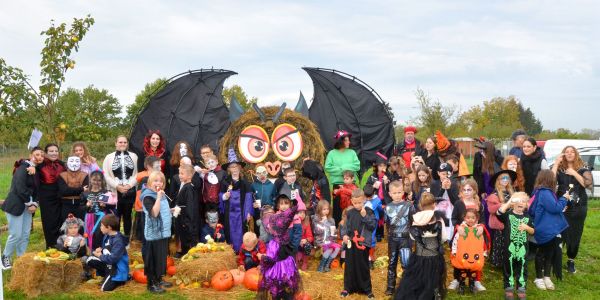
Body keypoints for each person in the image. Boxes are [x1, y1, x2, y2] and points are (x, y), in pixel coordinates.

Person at [394, 192, 447, 300]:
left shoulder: (416, 218)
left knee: (417, 280)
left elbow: (412, 237)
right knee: (433, 279)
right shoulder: (438, 217)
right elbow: (444, 237)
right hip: (434, 256)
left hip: (419, 257)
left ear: (421, 206)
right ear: (434, 204)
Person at [1, 147, 44, 269]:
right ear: (31, 154)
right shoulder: (23, 167)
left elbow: (37, 190)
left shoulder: (36, 169)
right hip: (16, 205)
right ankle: (5, 257)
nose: (40, 156)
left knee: (25, 234)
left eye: (42, 155)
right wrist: (29, 202)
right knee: (16, 235)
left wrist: (35, 203)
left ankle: (21, 258)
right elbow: (19, 187)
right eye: (37, 154)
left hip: (28, 207)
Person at [552, 146, 593, 274]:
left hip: (578, 206)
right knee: (558, 232)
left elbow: (588, 184)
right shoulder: (559, 168)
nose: (569, 154)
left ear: (576, 154)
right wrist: (556, 164)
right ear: (563, 154)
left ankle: (570, 260)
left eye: (572, 152)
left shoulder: (583, 168)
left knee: (575, 233)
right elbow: (550, 181)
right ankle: (555, 259)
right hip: (562, 205)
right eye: (567, 152)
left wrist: (574, 172)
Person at [529, 170, 569, 291]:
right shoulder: (545, 192)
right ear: (550, 180)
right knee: (541, 253)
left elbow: (536, 209)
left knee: (549, 253)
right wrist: (564, 198)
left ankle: (546, 276)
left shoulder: (541, 192)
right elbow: (555, 208)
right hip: (546, 229)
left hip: (548, 228)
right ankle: (539, 278)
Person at [258, 194, 302, 299]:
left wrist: (261, 257)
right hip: (282, 256)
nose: (283, 206)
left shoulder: (295, 218)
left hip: (285, 258)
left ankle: (285, 293)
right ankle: (283, 292)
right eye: (281, 204)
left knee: (285, 278)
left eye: (286, 203)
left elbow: (297, 233)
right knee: (282, 276)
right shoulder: (275, 218)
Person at [449, 178, 486, 292]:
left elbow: (483, 219)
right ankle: (457, 279)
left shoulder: (479, 204)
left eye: (469, 190)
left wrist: (481, 227)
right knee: (460, 255)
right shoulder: (459, 203)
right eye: (464, 190)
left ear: (474, 191)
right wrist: (458, 227)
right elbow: (454, 218)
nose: (466, 192)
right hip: (462, 235)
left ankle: (476, 280)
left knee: (475, 255)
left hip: (475, 236)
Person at [497, 192, 535, 300]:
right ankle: (509, 288)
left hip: (523, 249)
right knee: (508, 267)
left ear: (526, 205)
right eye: (518, 201)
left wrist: (527, 228)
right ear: (514, 203)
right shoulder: (508, 215)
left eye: (523, 201)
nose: (521, 203)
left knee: (522, 268)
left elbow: (533, 231)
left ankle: (521, 288)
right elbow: (499, 212)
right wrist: (509, 202)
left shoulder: (528, 217)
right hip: (510, 248)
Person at [140, 171, 173, 293]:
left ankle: (158, 279)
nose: (158, 183)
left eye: (161, 181)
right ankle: (151, 284)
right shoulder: (148, 196)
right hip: (153, 233)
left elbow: (162, 210)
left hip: (163, 231)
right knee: (153, 258)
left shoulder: (160, 195)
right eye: (155, 180)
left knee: (161, 257)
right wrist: (158, 198)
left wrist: (171, 210)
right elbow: (154, 213)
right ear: (149, 183)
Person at [340, 189, 377, 299]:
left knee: (363, 266)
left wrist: (365, 216)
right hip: (351, 243)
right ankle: (348, 288)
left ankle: (367, 289)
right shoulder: (350, 213)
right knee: (350, 265)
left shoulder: (369, 211)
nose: (357, 205)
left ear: (364, 200)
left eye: (360, 203)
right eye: (355, 203)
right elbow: (346, 226)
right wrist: (345, 235)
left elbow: (372, 226)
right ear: (351, 201)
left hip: (362, 243)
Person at [103, 135, 139, 242]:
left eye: (124, 142)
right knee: (115, 217)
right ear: (115, 143)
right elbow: (106, 174)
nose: (122, 144)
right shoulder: (108, 157)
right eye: (120, 142)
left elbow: (137, 174)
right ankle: (115, 240)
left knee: (128, 216)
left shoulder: (134, 156)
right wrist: (117, 186)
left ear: (127, 144)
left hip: (129, 191)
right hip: (115, 192)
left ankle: (127, 240)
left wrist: (129, 185)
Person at [81, 214, 129, 291]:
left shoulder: (118, 241)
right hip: (108, 265)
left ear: (109, 227)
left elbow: (113, 259)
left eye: (102, 226)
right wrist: (101, 250)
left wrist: (100, 256)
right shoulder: (107, 235)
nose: (100, 228)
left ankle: (120, 280)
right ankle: (107, 275)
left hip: (116, 269)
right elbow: (108, 249)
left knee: (104, 289)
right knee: (89, 259)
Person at [220, 148, 254, 252]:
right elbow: (220, 196)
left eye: (235, 166)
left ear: (239, 168)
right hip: (229, 213)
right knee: (230, 231)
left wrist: (248, 212)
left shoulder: (245, 183)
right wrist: (224, 197)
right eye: (231, 167)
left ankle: (241, 251)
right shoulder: (225, 182)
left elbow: (248, 199)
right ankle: (232, 252)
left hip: (241, 213)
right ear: (229, 169)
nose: (234, 169)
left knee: (241, 231)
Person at [384, 181, 414, 295]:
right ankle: (390, 287)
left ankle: (407, 286)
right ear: (390, 193)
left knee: (406, 263)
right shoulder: (387, 207)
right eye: (394, 193)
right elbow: (387, 224)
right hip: (393, 240)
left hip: (405, 239)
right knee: (392, 263)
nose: (397, 195)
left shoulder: (409, 206)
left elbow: (413, 222)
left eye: (399, 192)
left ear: (403, 192)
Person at [324, 130, 361, 223]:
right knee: (338, 208)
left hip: (352, 185)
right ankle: (338, 228)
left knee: (352, 206)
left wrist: (342, 168)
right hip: (338, 185)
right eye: (346, 140)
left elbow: (357, 166)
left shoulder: (352, 152)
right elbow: (328, 167)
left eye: (349, 140)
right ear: (340, 141)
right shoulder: (332, 153)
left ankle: (353, 226)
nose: (349, 142)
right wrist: (345, 171)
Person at [450, 209, 489, 294]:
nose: (470, 219)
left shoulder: (478, 230)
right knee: (462, 272)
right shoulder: (462, 229)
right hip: (463, 255)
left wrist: (483, 253)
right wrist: (454, 251)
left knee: (473, 272)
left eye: (472, 218)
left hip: (474, 255)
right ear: (464, 218)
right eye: (468, 217)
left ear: (476, 219)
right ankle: (461, 285)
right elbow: (456, 240)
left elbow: (482, 242)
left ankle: (472, 285)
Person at [486, 170, 517, 268]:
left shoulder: (513, 192)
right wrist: (505, 205)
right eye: (502, 178)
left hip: (512, 221)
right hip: (500, 222)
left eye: (507, 178)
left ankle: (511, 261)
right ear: (498, 180)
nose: (505, 180)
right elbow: (491, 209)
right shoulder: (494, 195)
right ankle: (499, 262)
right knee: (501, 242)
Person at [38, 143, 66, 249]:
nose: (54, 153)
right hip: (46, 198)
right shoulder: (40, 165)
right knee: (49, 222)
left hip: (60, 197)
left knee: (60, 221)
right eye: (51, 151)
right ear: (46, 153)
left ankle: (61, 246)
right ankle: (50, 246)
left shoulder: (62, 165)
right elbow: (25, 162)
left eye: (56, 151)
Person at [82, 170, 117, 251]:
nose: (96, 182)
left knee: (100, 234)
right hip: (89, 218)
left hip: (102, 217)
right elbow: (80, 208)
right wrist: (87, 206)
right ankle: (92, 253)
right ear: (90, 180)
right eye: (94, 180)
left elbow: (113, 206)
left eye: (99, 180)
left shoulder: (106, 193)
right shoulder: (85, 194)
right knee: (91, 235)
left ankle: (103, 251)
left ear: (102, 181)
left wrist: (106, 205)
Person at [132, 156, 160, 248]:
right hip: (146, 210)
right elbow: (140, 196)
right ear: (149, 166)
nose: (159, 168)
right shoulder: (145, 179)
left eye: (160, 166)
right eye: (157, 166)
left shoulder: (158, 177)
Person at [175, 164, 200, 256]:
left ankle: (187, 256)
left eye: (182, 174)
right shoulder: (185, 186)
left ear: (189, 176)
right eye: (179, 173)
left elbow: (190, 206)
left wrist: (187, 222)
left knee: (187, 240)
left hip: (186, 221)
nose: (179, 175)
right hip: (182, 218)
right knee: (183, 238)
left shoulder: (188, 188)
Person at [430, 162, 459, 241]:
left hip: (450, 214)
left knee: (450, 235)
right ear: (438, 173)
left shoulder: (454, 184)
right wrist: (442, 189)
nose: (445, 176)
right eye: (443, 174)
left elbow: (456, 203)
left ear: (452, 173)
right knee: (439, 235)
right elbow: (434, 202)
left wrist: (449, 189)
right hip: (438, 214)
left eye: (448, 174)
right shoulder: (434, 184)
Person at [57, 156, 89, 221]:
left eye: (77, 161)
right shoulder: (62, 175)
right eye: (71, 161)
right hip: (66, 205)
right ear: (67, 163)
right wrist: (81, 189)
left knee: (81, 225)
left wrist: (69, 190)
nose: (74, 163)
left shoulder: (85, 175)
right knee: (66, 225)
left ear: (80, 163)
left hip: (80, 204)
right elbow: (64, 191)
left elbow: (85, 192)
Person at [312, 200, 340, 272]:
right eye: (324, 209)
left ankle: (327, 264)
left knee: (337, 248)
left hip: (329, 240)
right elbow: (317, 232)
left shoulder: (331, 220)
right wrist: (324, 223)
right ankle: (321, 266)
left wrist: (334, 233)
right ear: (319, 209)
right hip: (320, 240)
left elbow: (333, 233)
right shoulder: (316, 219)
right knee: (329, 249)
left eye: (327, 209)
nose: (326, 211)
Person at [364, 185, 384, 265]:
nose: (368, 198)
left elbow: (379, 209)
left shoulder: (377, 200)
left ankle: (370, 258)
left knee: (371, 238)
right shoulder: (363, 199)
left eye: (370, 197)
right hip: (364, 220)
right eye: (367, 197)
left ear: (373, 193)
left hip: (373, 220)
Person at [295, 200, 313, 271]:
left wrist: (306, 240)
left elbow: (310, 236)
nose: (302, 214)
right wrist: (297, 241)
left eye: (303, 213)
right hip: (296, 242)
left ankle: (305, 262)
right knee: (293, 246)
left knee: (307, 246)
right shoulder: (293, 223)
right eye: (300, 212)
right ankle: (295, 262)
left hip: (304, 242)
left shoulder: (306, 223)